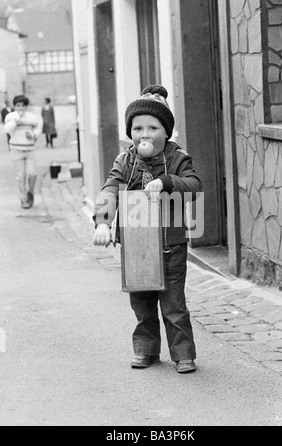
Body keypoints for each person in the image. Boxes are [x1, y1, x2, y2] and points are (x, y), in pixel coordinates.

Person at [93, 85, 202, 374]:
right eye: (138, 128)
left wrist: (167, 182)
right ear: (131, 132)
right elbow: (109, 191)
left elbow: (194, 187)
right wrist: (103, 221)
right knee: (142, 304)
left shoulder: (178, 158)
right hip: (136, 245)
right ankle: (146, 350)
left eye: (153, 127)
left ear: (166, 131)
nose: (145, 134)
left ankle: (183, 355)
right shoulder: (125, 160)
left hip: (171, 243)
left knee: (174, 305)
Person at [4, 95, 40, 209]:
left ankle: (30, 193)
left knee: (32, 174)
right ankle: (23, 200)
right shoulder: (10, 116)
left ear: (26, 106)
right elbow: (7, 129)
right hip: (16, 149)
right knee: (21, 176)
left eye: (23, 105)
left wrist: (33, 135)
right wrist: (16, 119)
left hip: (29, 149)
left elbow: (37, 128)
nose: (21, 108)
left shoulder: (32, 117)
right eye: (18, 105)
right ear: (14, 106)